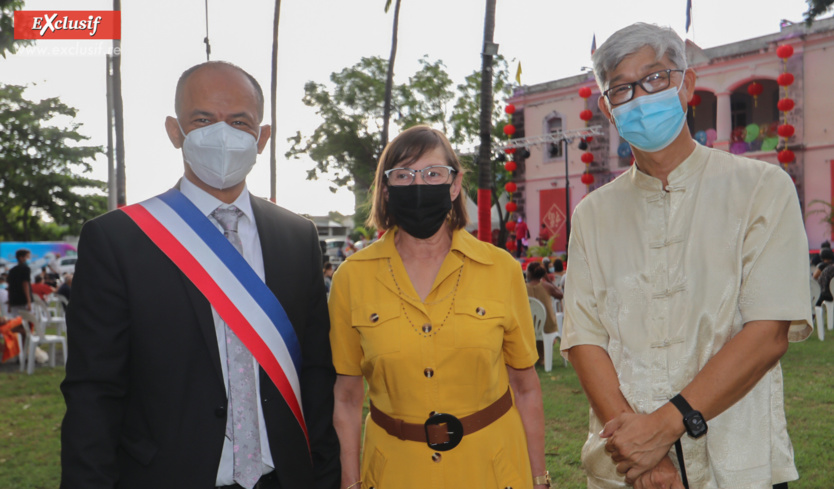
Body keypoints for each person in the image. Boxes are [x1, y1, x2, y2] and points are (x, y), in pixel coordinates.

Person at [60, 61, 340, 489]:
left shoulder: (296, 235)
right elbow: (93, 392)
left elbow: (317, 374)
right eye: (203, 119)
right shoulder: (118, 239)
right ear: (176, 131)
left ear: (261, 137)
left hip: (283, 477)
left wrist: (324, 474)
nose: (222, 133)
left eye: (239, 121)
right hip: (166, 475)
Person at [561, 23, 812, 489]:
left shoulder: (761, 188)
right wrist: (642, 456)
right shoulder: (592, 214)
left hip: (739, 461)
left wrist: (662, 428)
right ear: (607, 109)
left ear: (686, 85)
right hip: (628, 470)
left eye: (655, 79)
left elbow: (769, 330)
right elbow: (583, 338)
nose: (640, 97)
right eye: (622, 89)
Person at [329, 125, 548, 489]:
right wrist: (351, 483)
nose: (419, 185)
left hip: (492, 470)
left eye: (433, 173)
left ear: (456, 183)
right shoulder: (351, 278)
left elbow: (525, 386)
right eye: (403, 175)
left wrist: (539, 478)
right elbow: (348, 397)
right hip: (396, 472)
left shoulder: (501, 269)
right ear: (386, 189)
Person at [525, 262, 561, 366]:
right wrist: (549, 280)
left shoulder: (523, 287)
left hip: (528, 327)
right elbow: (560, 295)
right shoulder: (547, 286)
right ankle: (542, 358)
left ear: (529, 273)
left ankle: (538, 358)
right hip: (546, 326)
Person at [7, 249, 32, 316]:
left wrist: (9, 303)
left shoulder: (12, 270)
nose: (29, 259)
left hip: (14, 301)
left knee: (16, 323)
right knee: (27, 322)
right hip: (23, 301)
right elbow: (25, 284)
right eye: (27, 257)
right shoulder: (25, 269)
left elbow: (10, 287)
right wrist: (29, 302)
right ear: (21, 258)